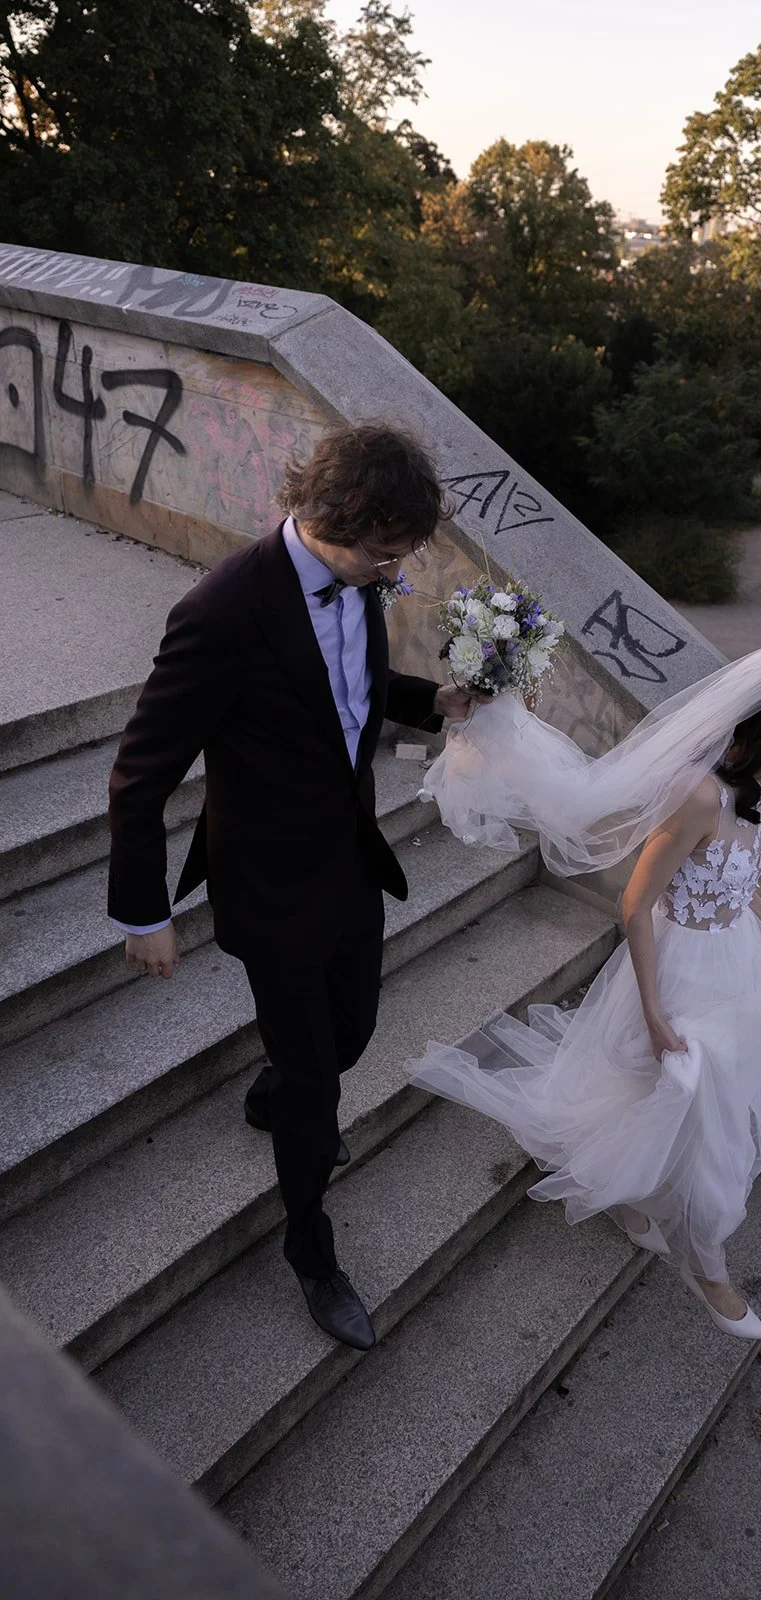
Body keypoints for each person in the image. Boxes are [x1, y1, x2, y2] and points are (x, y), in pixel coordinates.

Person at [108, 424, 479, 1350]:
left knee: (349, 1033)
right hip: (267, 881)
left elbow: (339, 684)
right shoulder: (220, 612)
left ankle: (281, 1093)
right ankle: (312, 1254)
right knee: (319, 1084)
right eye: (385, 558)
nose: (393, 575)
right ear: (327, 519)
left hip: (348, 858)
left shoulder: (353, 577)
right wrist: (145, 910)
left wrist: (423, 700)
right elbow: (140, 772)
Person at [409, 644, 761, 1340]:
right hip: (679, 968)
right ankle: (708, 1266)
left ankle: (635, 1195)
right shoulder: (696, 794)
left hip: (737, 965)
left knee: (701, 1105)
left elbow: (737, 887)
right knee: (694, 1108)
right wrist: (654, 1012)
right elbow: (635, 904)